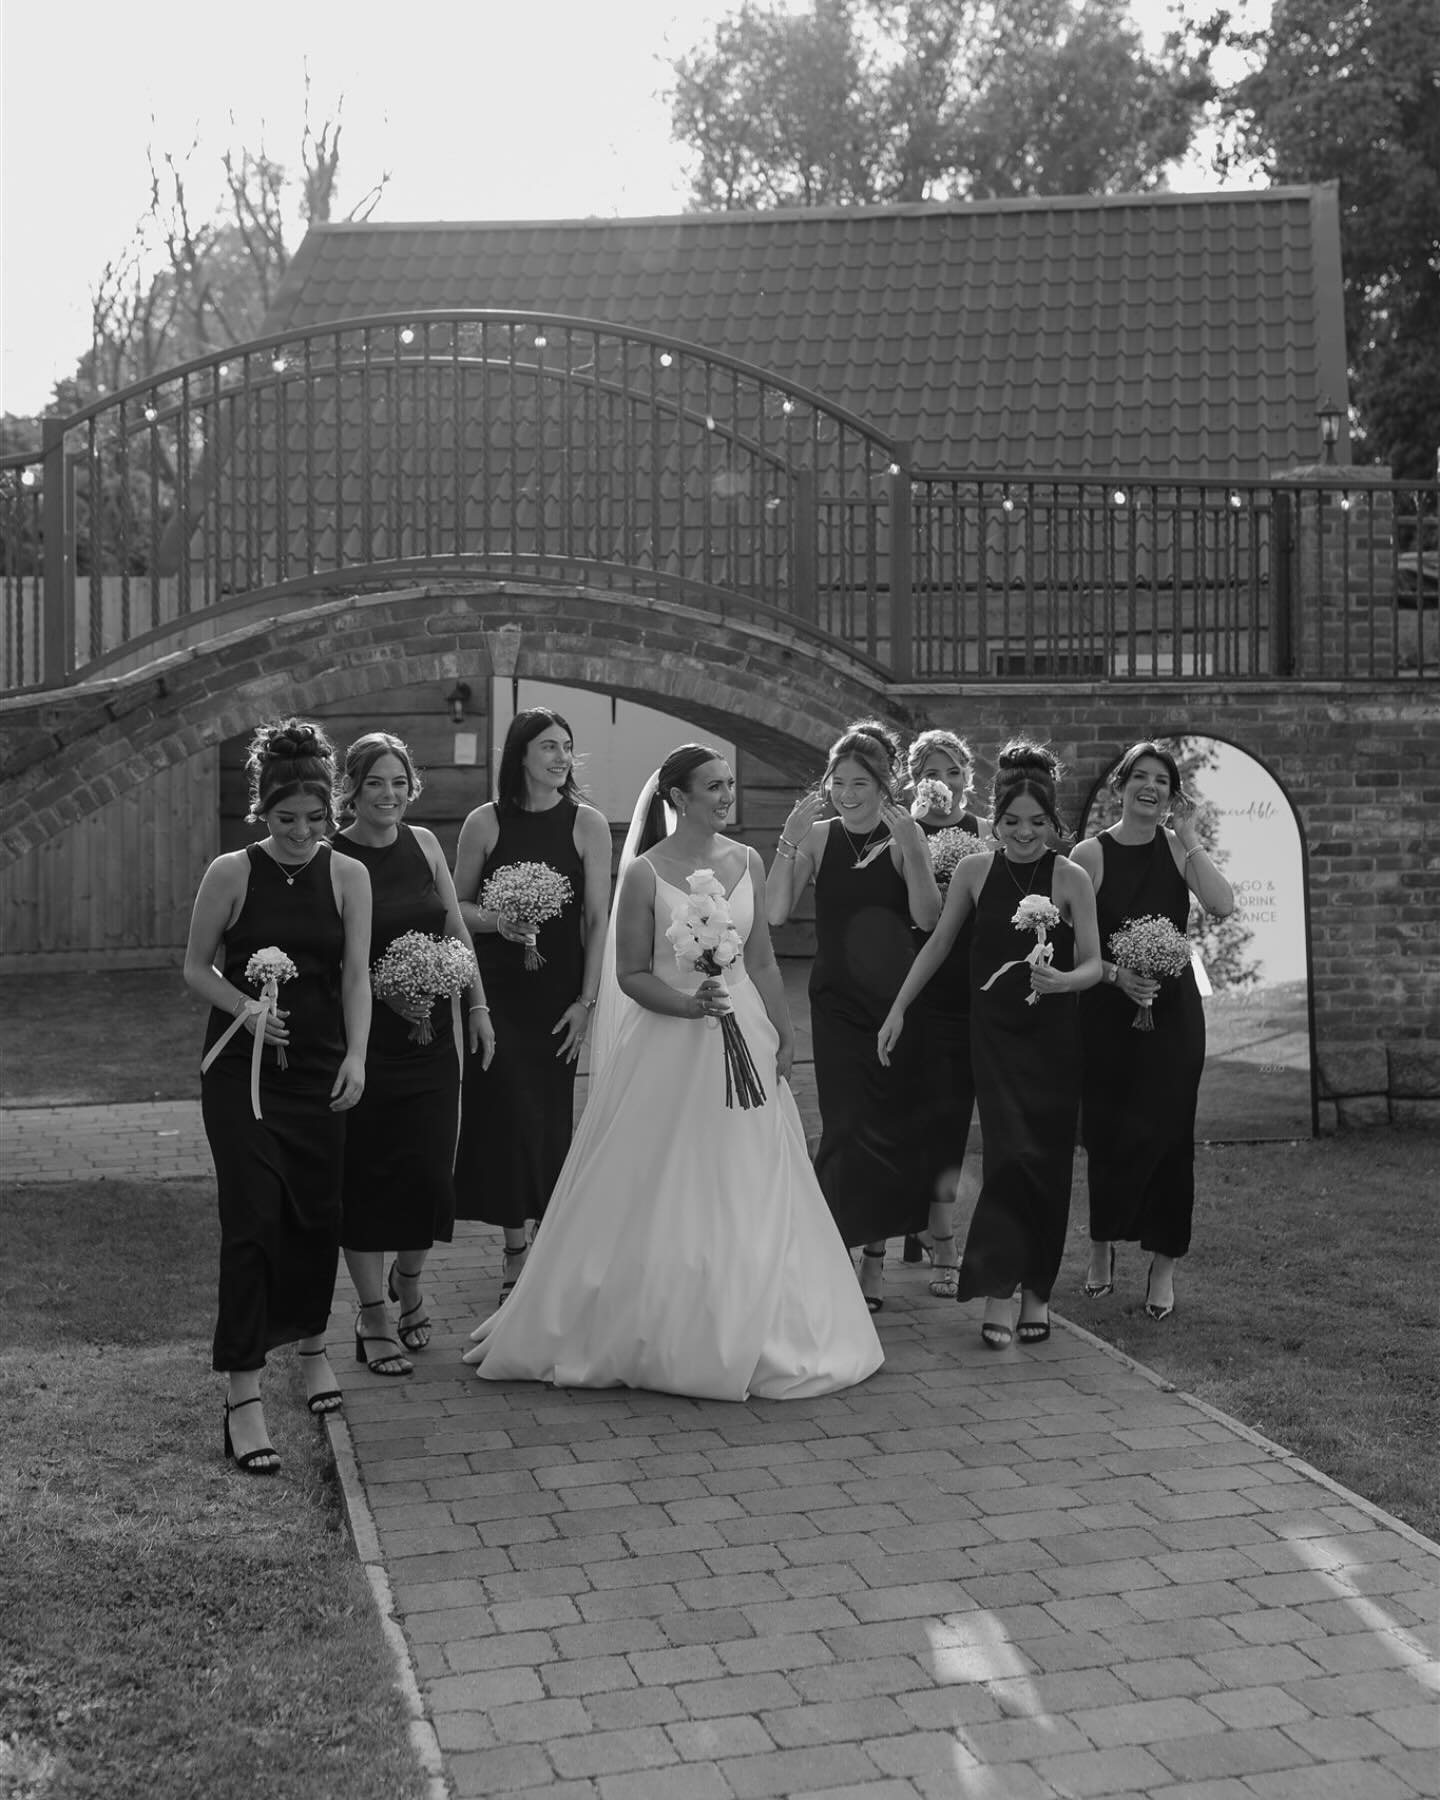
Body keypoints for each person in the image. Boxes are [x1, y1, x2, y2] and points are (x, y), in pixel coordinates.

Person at [463, 744, 883, 1400]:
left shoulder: (745, 861)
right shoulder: (645, 874)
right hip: (670, 1037)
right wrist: (688, 1005)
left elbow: (765, 961)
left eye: (728, 785)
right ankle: (655, 1318)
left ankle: (750, 1306)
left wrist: (782, 1034)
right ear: (677, 797)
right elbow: (631, 974)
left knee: (747, 1174)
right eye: (712, 786)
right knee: (663, 1174)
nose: (725, 796)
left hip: (744, 1026)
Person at [183, 720, 371, 1474]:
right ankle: (243, 1395)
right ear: (262, 812)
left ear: (331, 813)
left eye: (314, 820)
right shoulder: (230, 872)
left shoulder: (347, 876)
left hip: (320, 1068)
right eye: (284, 820)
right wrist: (246, 1008)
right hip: (241, 1077)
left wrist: (358, 1056)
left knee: (315, 1215)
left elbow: (355, 977)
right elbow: (195, 967)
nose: (300, 833)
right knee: (253, 1220)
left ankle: (315, 1348)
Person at [878, 741, 1101, 1349]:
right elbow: (938, 943)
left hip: (1054, 1042)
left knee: (1048, 1166)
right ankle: (999, 1292)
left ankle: (1037, 1294)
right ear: (994, 821)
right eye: (1010, 822)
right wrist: (898, 1007)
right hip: (995, 1039)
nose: (1023, 833)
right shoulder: (977, 871)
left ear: (1052, 825)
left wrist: (1064, 982)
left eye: (1035, 823)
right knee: (1008, 1160)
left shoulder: (1071, 876)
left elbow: (1094, 966)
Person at [331, 732, 495, 1375]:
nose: (390, 795)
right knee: (368, 1177)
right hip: (364, 1045)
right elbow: (334, 961)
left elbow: (454, 930)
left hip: (433, 1044)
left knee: (429, 1176)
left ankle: (410, 1280)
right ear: (352, 788)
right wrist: (386, 993)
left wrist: (476, 1006)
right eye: (376, 783)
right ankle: (373, 1314)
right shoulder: (332, 855)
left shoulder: (424, 844)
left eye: (399, 783)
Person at [766, 721, 942, 1314]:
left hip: (894, 1007)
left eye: (859, 783)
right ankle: (830, 1252)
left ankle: (874, 1261)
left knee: (884, 1129)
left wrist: (916, 851)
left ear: (883, 786)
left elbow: (927, 918)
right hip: (835, 1002)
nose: (845, 793)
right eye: (837, 782)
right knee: (843, 1127)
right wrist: (788, 842)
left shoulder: (904, 836)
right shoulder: (817, 837)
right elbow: (773, 913)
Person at [452, 709, 611, 1302]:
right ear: (520, 754)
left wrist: (585, 1002)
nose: (561, 757)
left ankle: (547, 1244)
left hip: (558, 996)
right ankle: (515, 1247)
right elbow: (456, 907)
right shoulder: (484, 823)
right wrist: (500, 921)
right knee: (502, 1116)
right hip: (494, 991)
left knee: (547, 1117)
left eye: (567, 747)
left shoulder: (588, 825)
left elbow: (598, 920)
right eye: (548, 747)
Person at [1072, 741, 1235, 1320]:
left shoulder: (1176, 848)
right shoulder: (1090, 854)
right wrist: (1117, 976)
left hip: (1174, 1014)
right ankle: (1101, 1249)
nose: (1150, 787)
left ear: (1172, 793)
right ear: (1120, 786)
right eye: (1139, 777)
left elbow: (1222, 904)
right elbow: (1073, 940)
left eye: (1161, 781)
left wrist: (1189, 836)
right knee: (1108, 1132)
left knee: (1170, 1137)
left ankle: (1163, 1267)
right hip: (1109, 1011)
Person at [902, 728, 987, 1296]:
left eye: (954, 772)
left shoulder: (985, 832)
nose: (945, 784)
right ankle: (932, 1234)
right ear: (915, 781)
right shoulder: (902, 832)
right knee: (921, 1114)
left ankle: (937, 1234)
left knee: (953, 1114)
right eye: (933, 773)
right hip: (916, 980)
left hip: (971, 986)